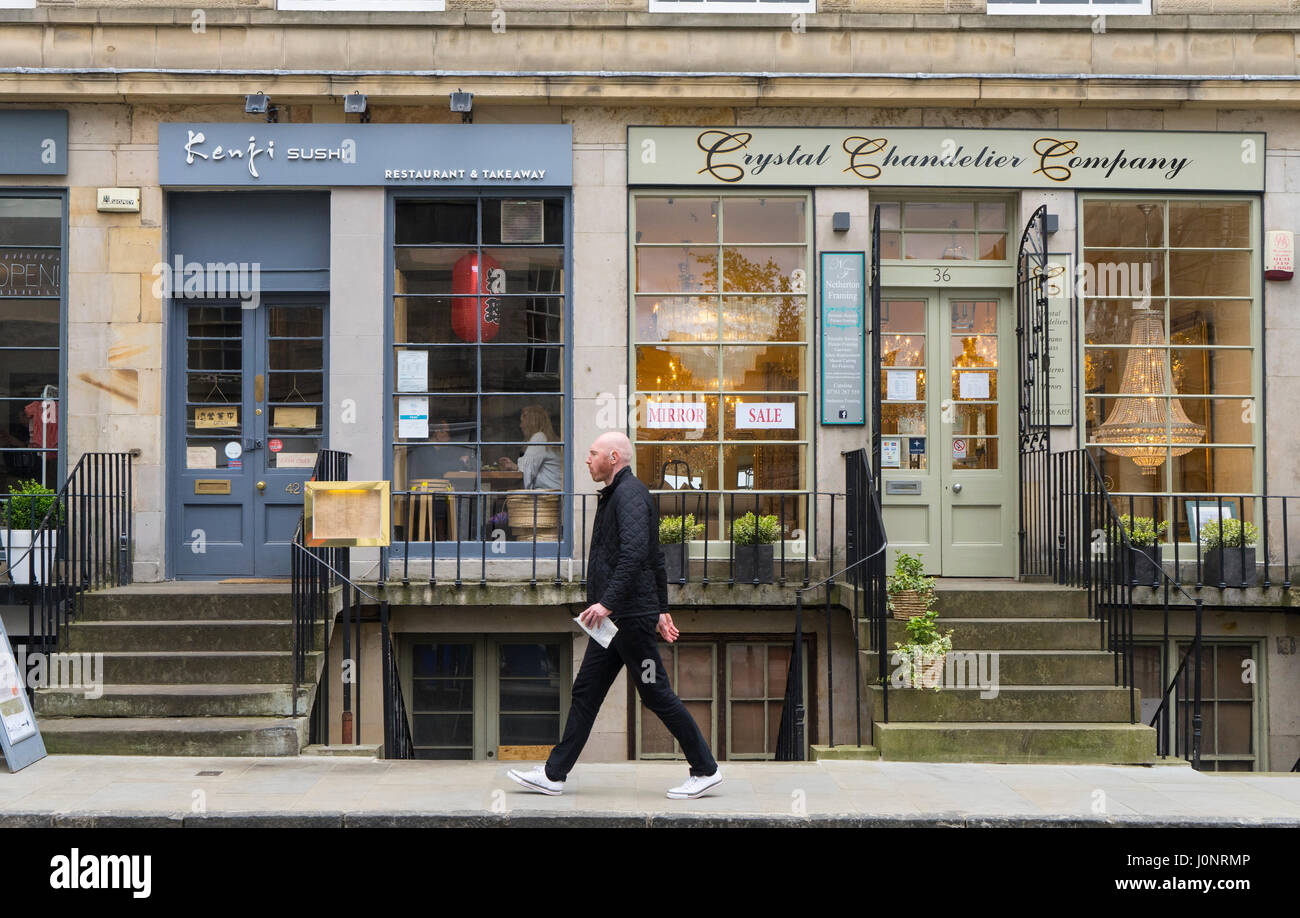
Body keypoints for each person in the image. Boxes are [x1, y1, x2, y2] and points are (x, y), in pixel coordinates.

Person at [507, 431, 722, 800]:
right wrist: (662, 609)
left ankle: (705, 769)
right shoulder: (618, 494)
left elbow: (638, 553)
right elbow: (655, 557)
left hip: (628, 622)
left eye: (592, 454)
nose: (587, 460)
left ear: (612, 456)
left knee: (656, 694)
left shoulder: (629, 494)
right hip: (617, 622)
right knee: (587, 692)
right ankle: (554, 775)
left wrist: (611, 603)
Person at [497, 405, 563, 490]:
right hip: (555, 492)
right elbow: (530, 468)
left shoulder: (539, 437)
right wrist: (514, 467)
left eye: (522, 421)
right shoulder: (547, 438)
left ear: (530, 423)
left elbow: (527, 471)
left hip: (546, 494)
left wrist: (518, 468)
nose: (521, 426)